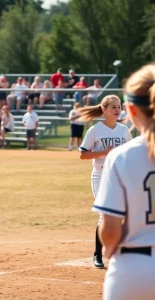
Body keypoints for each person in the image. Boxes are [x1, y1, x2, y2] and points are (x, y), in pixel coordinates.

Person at [92, 64, 155, 299]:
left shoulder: (122, 156)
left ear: (130, 109)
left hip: (133, 269)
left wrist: (109, 250)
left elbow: (110, 229)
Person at [78, 95, 132, 268]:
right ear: (104, 110)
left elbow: (129, 154)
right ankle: (97, 254)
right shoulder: (95, 130)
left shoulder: (124, 130)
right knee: (105, 214)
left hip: (118, 176)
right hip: (101, 176)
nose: (117, 110)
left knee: (121, 214)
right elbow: (83, 154)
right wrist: (104, 153)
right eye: (113, 107)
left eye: (119, 107)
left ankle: (120, 250)